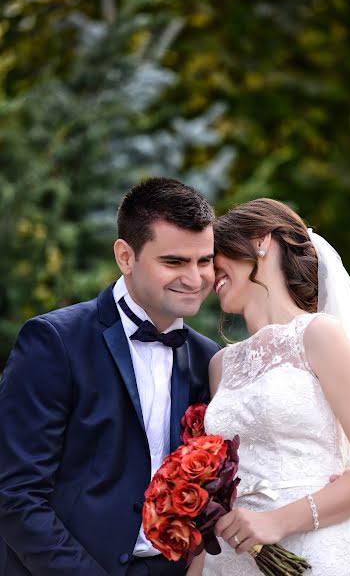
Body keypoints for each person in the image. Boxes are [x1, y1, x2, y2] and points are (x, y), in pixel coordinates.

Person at [0, 178, 219, 576]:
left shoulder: (210, 359)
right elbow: (16, 494)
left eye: (204, 261)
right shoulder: (54, 342)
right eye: (174, 262)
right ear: (125, 256)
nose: (194, 278)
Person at [188, 198, 350, 576]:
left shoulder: (319, 336)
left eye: (216, 256)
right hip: (232, 562)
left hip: (317, 555)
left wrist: (278, 522)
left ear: (260, 241)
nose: (208, 272)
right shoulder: (221, 365)